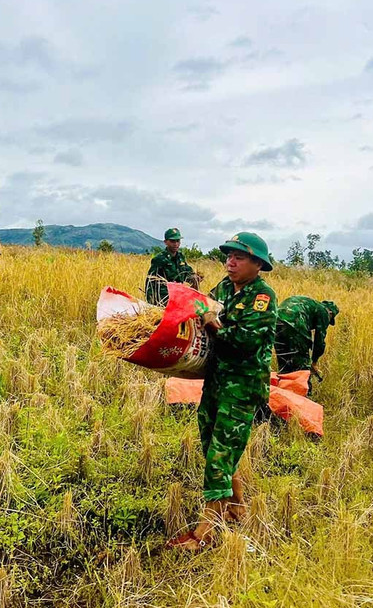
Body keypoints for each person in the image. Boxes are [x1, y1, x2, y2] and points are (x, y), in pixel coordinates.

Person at [167, 232, 277, 551]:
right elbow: (203, 305)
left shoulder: (262, 297)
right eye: (228, 256)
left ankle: (205, 532)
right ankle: (236, 507)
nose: (230, 262)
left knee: (221, 451)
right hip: (217, 378)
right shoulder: (225, 288)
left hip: (242, 385)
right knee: (211, 439)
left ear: (257, 264)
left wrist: (213, 324)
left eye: (239, 257)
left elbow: (243, 342)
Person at [274, 296, 339, 386]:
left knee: (285, 363)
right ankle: (302, 395)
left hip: (276, 322)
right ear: (331, 312)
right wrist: (314, 362)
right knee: (302, 369)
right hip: (295, 324)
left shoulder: (310, 303)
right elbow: (319, 341)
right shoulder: (324, 311)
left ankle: (284, 393)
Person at [144, 228, 201, 306]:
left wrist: (194, 277)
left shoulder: (180, 257)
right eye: (172, 241)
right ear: (165, 242)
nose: (176, 244)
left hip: (179, 296)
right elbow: (150, 282)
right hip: (164, 299)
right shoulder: (159, 259)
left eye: (178, 241)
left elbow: (187, 272)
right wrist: (151, 303)